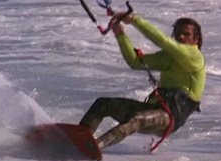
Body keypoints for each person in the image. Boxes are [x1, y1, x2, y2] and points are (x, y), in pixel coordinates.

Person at [78, 12, 205, 150]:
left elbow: (164, 41)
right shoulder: (168, 57)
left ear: (196, 39)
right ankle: (78, 137)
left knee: (136, 119)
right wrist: (120, 35)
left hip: (170, 118)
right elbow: (135, 62)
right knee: (103, 104)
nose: (181, 36)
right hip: (154, 109)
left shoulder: (195, 57)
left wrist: (135, 20)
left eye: (186, 34)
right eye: (178, 33)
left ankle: (94, 146)